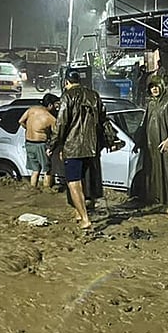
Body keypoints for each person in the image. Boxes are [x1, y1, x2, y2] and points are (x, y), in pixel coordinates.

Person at [48, 70, 106, 230]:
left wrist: (52, 145)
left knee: (73, 183)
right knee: (83, 182)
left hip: (73, 148)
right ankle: (80, 214)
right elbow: (103, 120)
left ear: (66, 82)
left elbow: (61, 124)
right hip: (91, 148)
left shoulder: (67, 96)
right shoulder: (94, 95)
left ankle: (85, 219)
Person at [136, 75, 168, 219]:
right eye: (151, 87)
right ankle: (163, 204)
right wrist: (138, 141)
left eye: (156, 86)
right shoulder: (150, 103)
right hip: (152, 146)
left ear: (162, 86)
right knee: (156, 175)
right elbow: (144, 124)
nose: (154, 89)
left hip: (165, 145)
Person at [18, 93, 60, 187]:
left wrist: (28, 129)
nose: (56, 108)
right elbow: (56, 135)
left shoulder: (31, 110)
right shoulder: (50, 118)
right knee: (47, 170)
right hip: (40, 144)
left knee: (35, 170)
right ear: (50, 105)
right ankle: (46, 192)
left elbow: (20, 121)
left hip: (28, 143)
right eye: (55, 105)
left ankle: (33, 189)